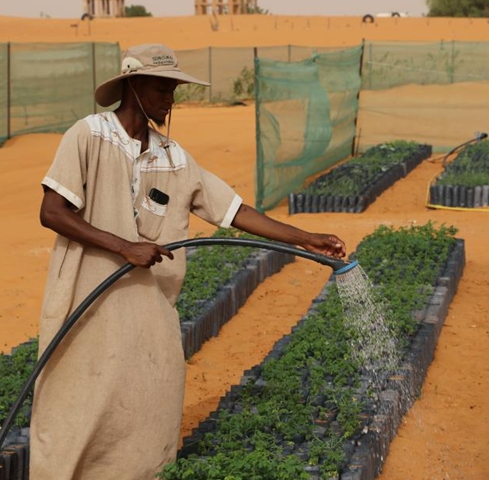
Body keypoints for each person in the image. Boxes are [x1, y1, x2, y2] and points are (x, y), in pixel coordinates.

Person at [28, 44, 346, 479]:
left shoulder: (173, 157)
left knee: (149, 400)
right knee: (77, 402)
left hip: (146, 308)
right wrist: (125, 246)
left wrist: (307, 239)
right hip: (87, 302)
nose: (171, 99)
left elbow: (235, 210)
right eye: (163, 88)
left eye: (174, 89)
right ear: (134, 87)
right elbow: (52, 212)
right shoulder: (88, 136)